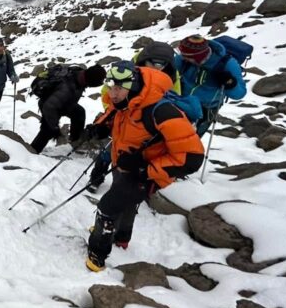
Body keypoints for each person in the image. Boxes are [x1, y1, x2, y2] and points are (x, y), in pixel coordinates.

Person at [83, 61, 204, 272]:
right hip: (123, 163)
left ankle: (98, 253)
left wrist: (143, 168)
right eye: (110, 87)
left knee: (107, 206)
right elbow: (116, 121)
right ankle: (120, 238)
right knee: (125, 200)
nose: (113, 93)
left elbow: (191, 157)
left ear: (134, 86)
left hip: (146, 173)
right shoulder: (125, 102)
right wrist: (100, 130)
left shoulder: (162, 111)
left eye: (119, 88)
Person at [87, 41, 183, 191]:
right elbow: (108, 91)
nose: (157, 68)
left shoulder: (172, 74)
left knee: (129, 157)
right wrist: (115, 113)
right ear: (145, 60)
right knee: (110, 150)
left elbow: (174, 97)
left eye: (161, 65)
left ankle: (119, 189)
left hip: (145, 122)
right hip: (123, 116)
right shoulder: (130, 68)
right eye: (153, 63)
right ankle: (96, 177)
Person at [174, 35, 247, 135]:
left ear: (199, 56)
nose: (182, 58)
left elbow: (239, 93)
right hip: (181, 101)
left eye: (187, 57)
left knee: (191, 139)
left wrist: (229, 83)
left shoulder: (227, 64)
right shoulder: (184, 58)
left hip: (205, 110)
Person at [29, 64, 106, 153]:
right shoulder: (66, 88)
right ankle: (32, 152)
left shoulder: (81, 76)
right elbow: (49, 107)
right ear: (92, 80)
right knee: (48, 130)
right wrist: (54, 127)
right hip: (49, 105)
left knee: (79, 113)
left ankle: (75, 141)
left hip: (64, 103)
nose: (101, 83)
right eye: (99, 81)